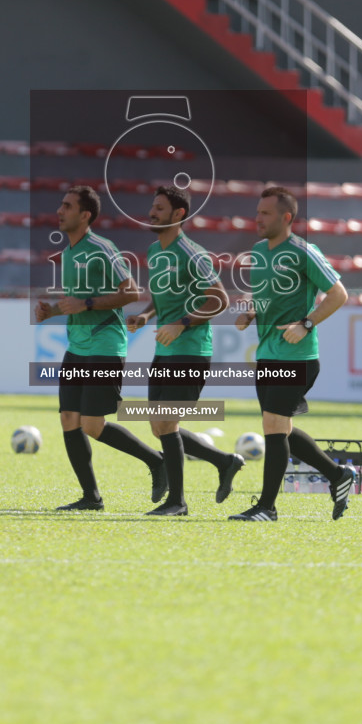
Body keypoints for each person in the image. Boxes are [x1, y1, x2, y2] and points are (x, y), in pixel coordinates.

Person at [35, 185, 166, 511]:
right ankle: (91, 497)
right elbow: (76, 303)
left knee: (92, 425)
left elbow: (132, 292)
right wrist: (50, 311)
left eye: (67, 206)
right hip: (77, 346)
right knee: (69, 418)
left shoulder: (102, 248)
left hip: (106, 345)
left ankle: (156, 461)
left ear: (85, 215)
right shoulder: (67, 253)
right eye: (60, 205)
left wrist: (88, 303)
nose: (60, 211)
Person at [228, 186, 352, 522]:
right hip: (268, 353)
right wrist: (252, 310)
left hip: (297, 357)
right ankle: (339, 475)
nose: (258, 218)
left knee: (274, 426)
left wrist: (308, 323)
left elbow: (338, 294)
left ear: (286, 217)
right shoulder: (258, 251)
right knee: (279, 429)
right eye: (257, 212)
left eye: (265, 213)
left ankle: (267, 507)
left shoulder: (304, 251)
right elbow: (264, 293)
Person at [126, 185, 244, 516]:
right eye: (152, 206)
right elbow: (160, 296)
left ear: (178, 215)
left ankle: (177, 502)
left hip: (191, 349)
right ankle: (225, 461)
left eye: (160, 208)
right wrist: (146, 315)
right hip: (165, 350)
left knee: (166, 422)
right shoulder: (154, 251)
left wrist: (181, 323)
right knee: (158, 425)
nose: (152, 212)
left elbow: (219, 299)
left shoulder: (192, 253)